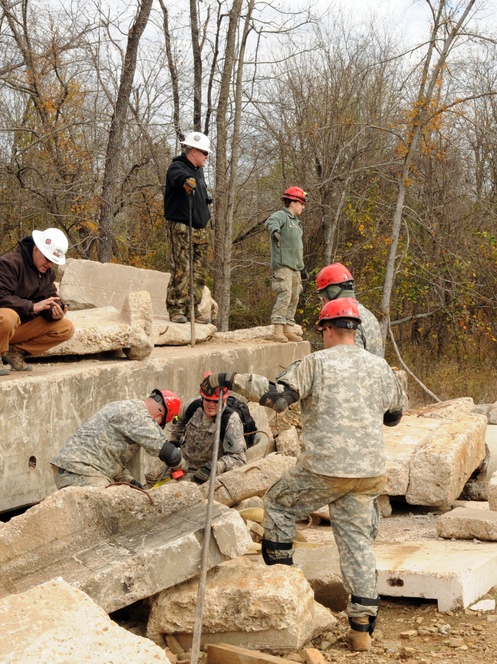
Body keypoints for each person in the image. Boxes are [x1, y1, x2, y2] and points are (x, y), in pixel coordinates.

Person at [202, 298, 405, 652]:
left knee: (278, 503)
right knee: (356, 541)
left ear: (326, 329)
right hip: (369, 472)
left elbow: (278, 398)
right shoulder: (380, 367)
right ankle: (362, 627)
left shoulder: (315, 363)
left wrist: (229, 379)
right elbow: (394, 415)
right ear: (354, 330)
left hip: (325, 469)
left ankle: (286, 588)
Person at [0, 228, 75, 376]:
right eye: (48, 259)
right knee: (8, 316)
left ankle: (14, 352)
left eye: (54, 261)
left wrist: (55, 312)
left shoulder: (46, 272)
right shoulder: (8, 264)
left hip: (18, 325)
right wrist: (32, 306)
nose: (50, 264)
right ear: (36, 250)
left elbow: (48, 299)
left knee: (66, 327)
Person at [51, 389, 183, 489]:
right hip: (81, 471)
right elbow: (167, 452)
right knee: (106, 514)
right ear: (158, 416)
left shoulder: (123, 406)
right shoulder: (139, 416)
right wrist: (183, 466)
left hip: (72, 469)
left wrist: (130, 482)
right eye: (159, 425)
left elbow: (110, 455)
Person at [164, 131, 212, 324]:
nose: (207, 157)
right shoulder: (178, 166)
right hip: (183, 227)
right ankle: (177, 308)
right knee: (182, 268)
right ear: (193, 151)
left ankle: (192, 308)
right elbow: (177, 176)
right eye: (204, 153)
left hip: (201, 228)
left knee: (199, 271)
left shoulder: (199, 171)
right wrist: (185, 181)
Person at [163, 372, 247, 483]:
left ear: (224, 400)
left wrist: (213, 468)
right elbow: (178, 421)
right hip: (182, 465)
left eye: (216, 402)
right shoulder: (192, 406)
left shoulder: (231, 421)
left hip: (205, 475)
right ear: (202, 398)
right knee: (152, 479)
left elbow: (238, 458)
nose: (211, 405)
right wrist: (174, 441)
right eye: (207, 400)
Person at [265, 186, 308, 343]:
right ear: (293, 202)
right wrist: (275, 230)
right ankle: (277, 328)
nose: (303, 207)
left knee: (295, 296)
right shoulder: (281, 216)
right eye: (301, 203)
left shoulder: (297, 223)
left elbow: (297, 247)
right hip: (282, 265)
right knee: (285, 294)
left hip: (295, 266)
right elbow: (271, 222)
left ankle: (287, 327)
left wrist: (302, 267)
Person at [316, 263, 384, 358]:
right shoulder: (368, 314)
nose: (323, 303)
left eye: (323, 298)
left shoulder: (345, 318)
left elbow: (350, 362)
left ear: (331, 294)